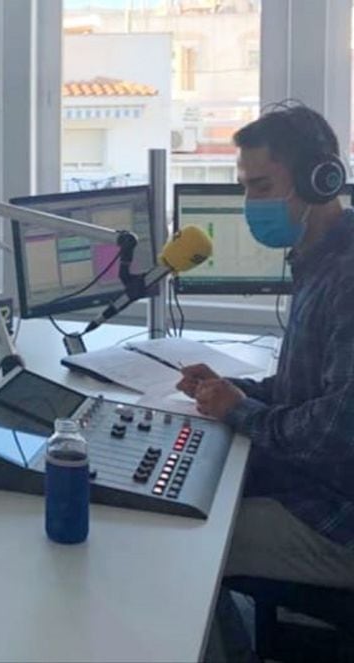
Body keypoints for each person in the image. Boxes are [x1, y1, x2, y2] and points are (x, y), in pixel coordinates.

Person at [175, 104, 354, 656]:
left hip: (338, 524)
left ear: (319, 181)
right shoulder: (321, 260)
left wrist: (239, 412)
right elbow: (316, 388)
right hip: (321, 491)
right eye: (245, 187)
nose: (251, 204)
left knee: (183, 545)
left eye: (262, 186)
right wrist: (236, 391)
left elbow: (338, 428)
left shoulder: (348, 277)